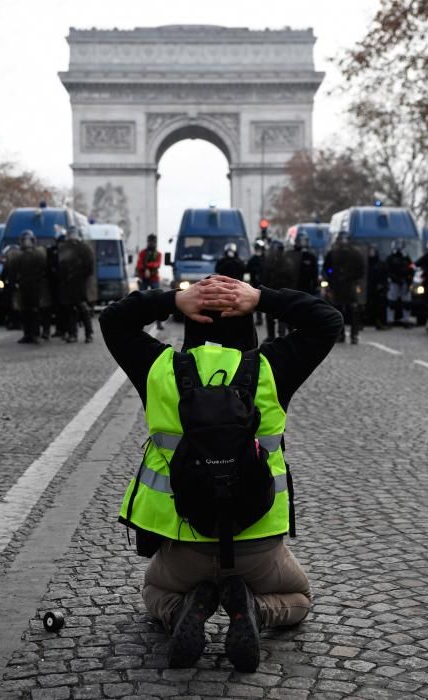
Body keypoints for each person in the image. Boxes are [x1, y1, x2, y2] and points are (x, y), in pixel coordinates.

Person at [99, 275, 343, 672]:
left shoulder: (159, 369)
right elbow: (327, 319)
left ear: (191, 321)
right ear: (248, 323)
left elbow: (114, 319)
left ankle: (181, 610)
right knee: (299, 599)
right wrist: (262, 297)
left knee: (154, 591)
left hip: (186, 546)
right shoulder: (270, 369)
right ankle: (255, 610)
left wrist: (174, 298)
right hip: (258, 547)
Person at [323, 231, 365, 344]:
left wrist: (352, 278)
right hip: (337, 285)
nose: (343, 242)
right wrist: (332, 276)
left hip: (350, 285)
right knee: (338, 310)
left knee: (353, 310)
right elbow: (327, 268)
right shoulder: (332, 253)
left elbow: (360, 270)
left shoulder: (355, 254)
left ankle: (354, 334)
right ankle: (340, 334)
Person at [9, 230, 50, 344]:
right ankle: (27, 334)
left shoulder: (39, 254)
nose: (26, 243)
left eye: (28, 240)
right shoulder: (18, 255)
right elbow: (13, 272)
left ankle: (35, 334)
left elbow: (44, 270)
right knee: (25, 312)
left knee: (34, 311)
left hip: (35, 287)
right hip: (23, 287)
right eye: (24, 241)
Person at [58, 226, 94, 343]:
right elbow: (60, 265)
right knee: (69, 310)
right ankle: (72, 333)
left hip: (80, 284)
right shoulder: (64, 248)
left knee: (83, 309)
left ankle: (89, 333)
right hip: (67, 284)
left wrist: (80, 276)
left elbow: (89, 267)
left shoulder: (84, 248)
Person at [261, 239, 296, 340]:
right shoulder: (268, 261)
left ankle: (283, 336)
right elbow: (265, 277)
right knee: (269, 316)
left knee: (283, 316)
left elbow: (291, 278)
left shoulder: (286, 262)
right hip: (271, 292)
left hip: (283, 292)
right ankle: (271, 336)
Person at [385, 239, 415, 328]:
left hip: (405, 282)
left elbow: (411, 268)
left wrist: (410, 279)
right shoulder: (390, 258)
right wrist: (394, 278)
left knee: (407, 303)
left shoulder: (406, 258)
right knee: (391, 302)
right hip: (394, 282)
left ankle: (406, 320)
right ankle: (390, 320)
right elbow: (388, 270)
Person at [136, 233, 163, 329]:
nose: (152, 243)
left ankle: (159, 323)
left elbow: (157, 264)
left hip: (154, 279)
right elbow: (138, 265)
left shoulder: (158, 254)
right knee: (141, 301)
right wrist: (146, 268)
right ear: (148, 242)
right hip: (144, 279)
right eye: (150, 241)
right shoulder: (142, 253)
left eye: (153, 242)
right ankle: (140, 323)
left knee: (158, 300)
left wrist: (146, 266)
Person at [366, 244, 388, 330]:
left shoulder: (381, 263)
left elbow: (385, 275)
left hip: (378, 288)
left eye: (373, 251)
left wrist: (383, 285)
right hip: (367, 288)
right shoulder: (365, 263)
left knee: (379, 307)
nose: (371, 253)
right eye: (370, 251)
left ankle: (380, 322)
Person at [246, 239, 266, 325]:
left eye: (259, 248)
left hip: (266, 283)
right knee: (256, 302)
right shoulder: (252, 260)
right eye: (257, 248)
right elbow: (247, 271)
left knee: (267, 301)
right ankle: (259, 319)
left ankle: (270, 318)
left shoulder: (266, 259)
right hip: (255, 284)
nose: (258, 250)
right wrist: (248, 282)